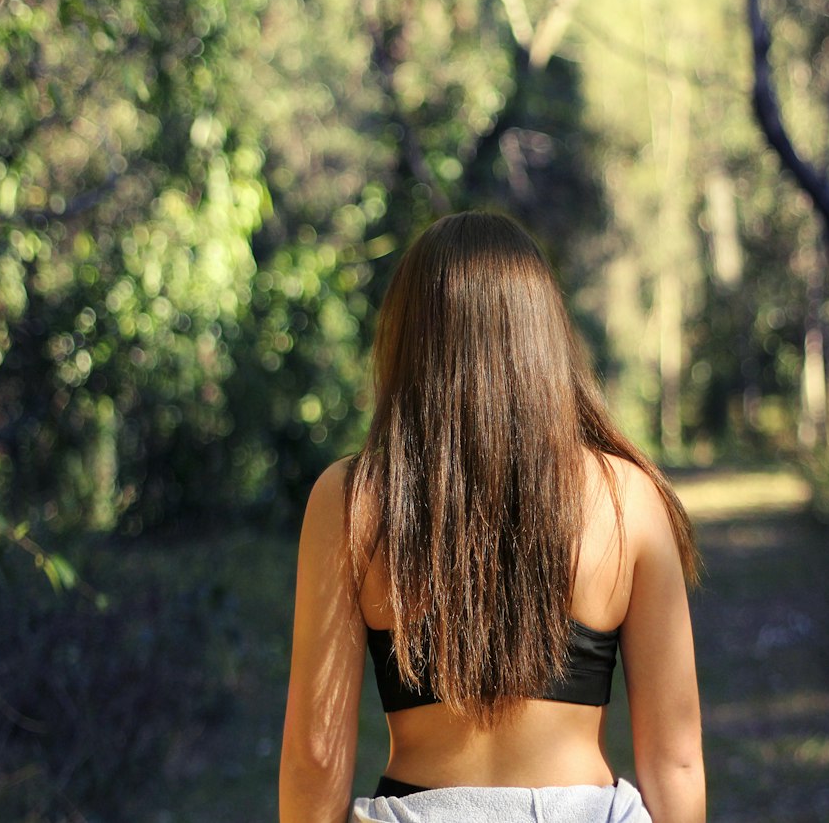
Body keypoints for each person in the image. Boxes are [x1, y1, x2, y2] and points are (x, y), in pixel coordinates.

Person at [279, 211, 705, 823]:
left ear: (408, 338)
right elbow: (677, 760)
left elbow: (315, 758)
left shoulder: (354, 498)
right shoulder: (627, 495)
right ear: (543, 335)